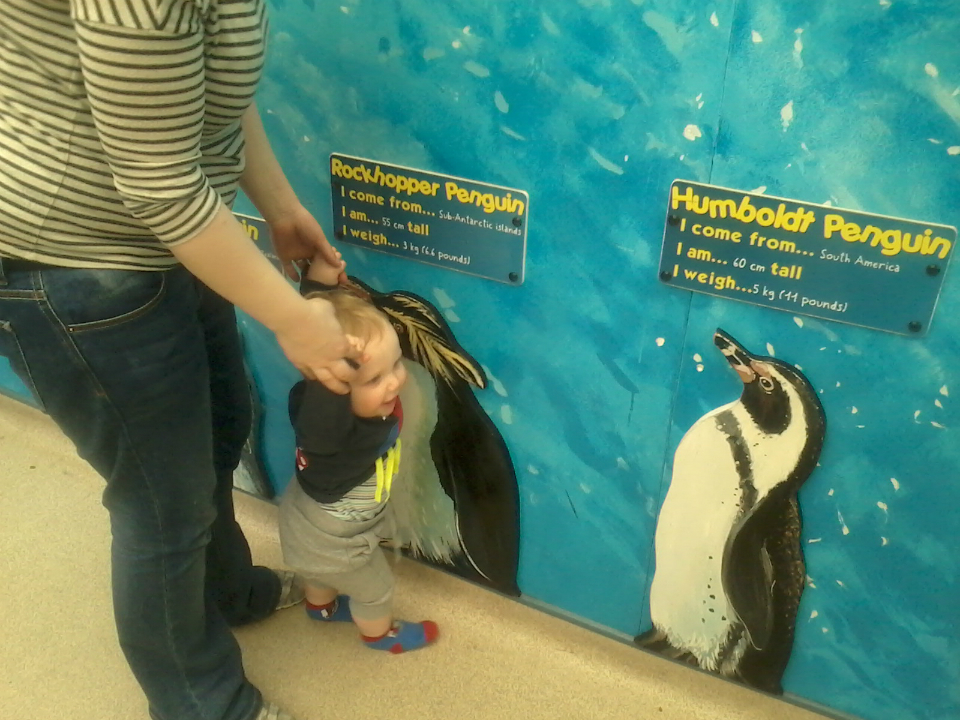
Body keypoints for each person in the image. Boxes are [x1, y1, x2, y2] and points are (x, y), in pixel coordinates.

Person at [0, 1, 357, 719]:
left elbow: (203, 89)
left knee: (224, 426)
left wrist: (279, 206)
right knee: (163, 502)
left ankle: (228, 593)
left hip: (176, 238)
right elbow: (157, 183)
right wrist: (291, 319)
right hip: (74, 261)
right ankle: (205, 704)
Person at [278, 254, 440, 654]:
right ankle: (379, 634)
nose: (394, 383)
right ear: (332, 386)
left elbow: (315, 335)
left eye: (395, 365)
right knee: (376, 589)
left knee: (317, 573)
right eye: (373, 379)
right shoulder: (329, 428)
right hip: (336, 539)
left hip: (308, 521)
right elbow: (323, 387)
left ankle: (321, 607)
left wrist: (319, 288)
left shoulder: (345, 404)